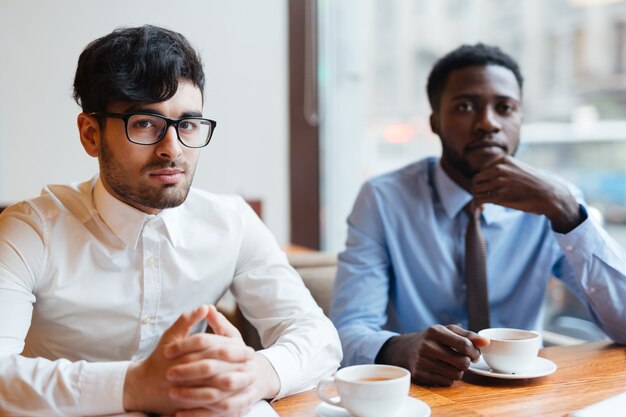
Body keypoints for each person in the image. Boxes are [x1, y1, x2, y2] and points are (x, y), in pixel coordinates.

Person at [0, 25, 341, 416]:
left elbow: (317, 335)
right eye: (145, 124)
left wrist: (257, 373)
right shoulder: (30, 230)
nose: (172, 149)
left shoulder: (230, 222)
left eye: (188, 124)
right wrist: (135, 386)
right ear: (91, 134)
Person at [330, 43, 626, 387]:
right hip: (423, 396)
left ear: (520, 121)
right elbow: (347, 331)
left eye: (505, 108)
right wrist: (398, 348)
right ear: (435, 122)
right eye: (465, 106)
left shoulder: (555, 201)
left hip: (527, 395)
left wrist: (568, 215)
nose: (488, 123)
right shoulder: (383, 199)